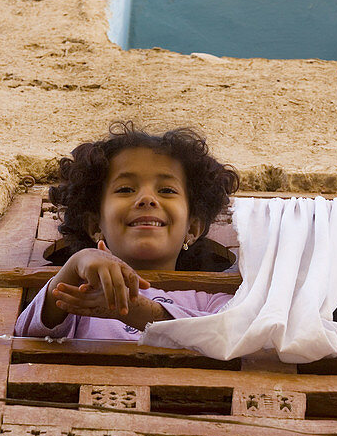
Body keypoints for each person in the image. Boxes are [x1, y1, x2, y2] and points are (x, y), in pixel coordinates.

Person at [14, 123, 239, 340]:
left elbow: (228, 335)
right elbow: (28, 331)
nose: (147, 199)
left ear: (192, 228)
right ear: (95, 226)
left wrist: (132, 308)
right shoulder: (83, 293)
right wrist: (75, 265)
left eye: (167, 190)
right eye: (125, 189)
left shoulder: (211, 301)